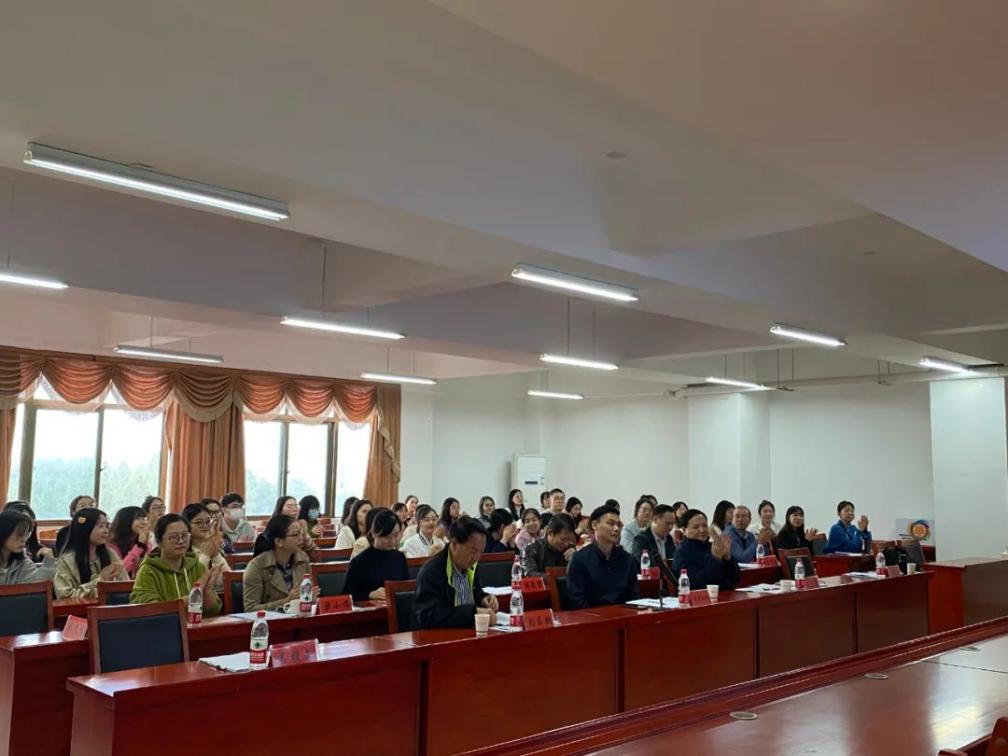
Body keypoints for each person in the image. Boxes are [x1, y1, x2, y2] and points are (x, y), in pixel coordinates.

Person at [413, 516, 499, 629]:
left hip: (470, 632)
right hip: (444, 636)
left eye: (480, 552)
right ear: (454, 544)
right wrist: (472, 614)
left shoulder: (471, 564)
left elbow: (475, 592)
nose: (476, 558)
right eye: (473, 551)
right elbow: (427, 616)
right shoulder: (432, 571)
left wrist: (484, 598)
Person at [130, 514, 222, 615]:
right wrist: (192, 598)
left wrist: (207, 591)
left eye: (185, 536)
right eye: (173, 537)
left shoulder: (196, 566)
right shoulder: (147, 571)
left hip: (196, 624)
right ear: (159, 541)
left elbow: (214, 611)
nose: (181, 541)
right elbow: (151, 610)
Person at [567, 504, 639, 609]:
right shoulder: (579, 559)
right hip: (591, 616)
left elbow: (634, 597)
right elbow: (577, 601)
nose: (616, 529)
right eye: (610, 523)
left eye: (618, 524)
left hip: (624, 615)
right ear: (595, 525)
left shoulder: (627, 559)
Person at [242, 514, 316, 612]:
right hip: (270, 621)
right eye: (296, 534)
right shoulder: (257, 567)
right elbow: (250, 609)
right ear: (278, 541)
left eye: (301, 533)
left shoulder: (303, 558)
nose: (301, 538)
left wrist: (310, 598)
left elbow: (306, 597)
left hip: (299, 618)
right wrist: (286, 601)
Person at [53, 508, 126, 598]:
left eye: (107, 526)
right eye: (100, 526)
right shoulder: (67, 560)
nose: (106, 531)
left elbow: (125, 587)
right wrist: (100, 580)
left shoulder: (110, 554)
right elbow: (65, 596)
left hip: (110, 606)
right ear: (85, 529)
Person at [343, 508, 409, 602]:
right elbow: (346, 596)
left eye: (396, 535)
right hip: (370, 609)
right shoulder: (359, 562)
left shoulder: (400, 557)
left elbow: (407, 588)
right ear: (374, 534)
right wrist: (370, 595)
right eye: (386, 537)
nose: (392, 541)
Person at [671, 509, 741, 590]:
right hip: (701, 595)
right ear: (684, 530)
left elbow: (736, 579)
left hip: (726, 593)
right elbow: (693, 582)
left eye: (704, 526)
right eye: (695, 527)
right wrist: (716, 558)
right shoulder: (682, 552)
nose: (702, 530)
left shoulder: (714, 546)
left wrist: (728, 558)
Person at [181, 502, 228, 592]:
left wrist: (216, 555)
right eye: (199, 522)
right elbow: (192, 583)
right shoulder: (182, 552)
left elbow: (228, 579)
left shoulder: (213, 546)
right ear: (187, 524)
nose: (205, 526)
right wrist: (206, 555)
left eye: (207, 521)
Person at [0, 510, 53, 584]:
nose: (24, 539)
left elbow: (36, 585)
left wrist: (49, 561)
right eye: (19, 534)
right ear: (4, 532)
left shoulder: (23, 562)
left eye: (26, 534)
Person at [522, 512, 576, 576]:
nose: (566, 544)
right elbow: (530, 574)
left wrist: (577, 560)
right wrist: (556, 576)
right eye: (563, 539)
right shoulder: (531, 549)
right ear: (550, 533)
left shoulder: (570, 549)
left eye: (569, 539)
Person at [107, 506, 150, 577]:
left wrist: (145, 544)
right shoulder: (111, 545)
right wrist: (139, 546)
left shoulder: (139, 541)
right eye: (138, 518)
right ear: (126, 521)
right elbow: (121, 572)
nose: (144, 522)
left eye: (144, 519)